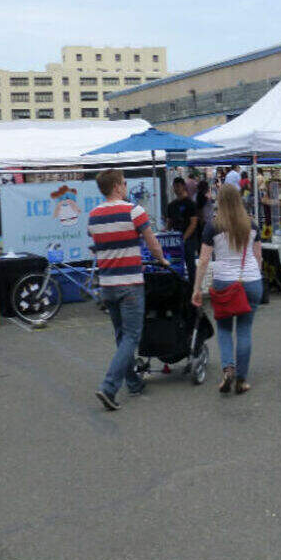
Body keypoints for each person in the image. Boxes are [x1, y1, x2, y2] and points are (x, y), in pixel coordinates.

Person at [88, 169, 170, 410]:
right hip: (130, 284)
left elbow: (95, 245)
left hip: (107, 284)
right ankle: (108, 387)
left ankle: (133, 382)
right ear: (116, 186)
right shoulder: (133, 211)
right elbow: (152, 243)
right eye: (124, 182)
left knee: (121, 336)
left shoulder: (93, 216)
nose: (126, 186)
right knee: (131, 336)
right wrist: (162, 260)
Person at [192, 184, 262, 394]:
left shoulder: (212, 226)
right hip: (250, 280)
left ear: (219, 202)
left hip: (224, 282)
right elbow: (258, 257)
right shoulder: (252, 225)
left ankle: (228, 369)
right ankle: (242, 379)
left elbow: (204, 261)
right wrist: (254, 277)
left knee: (224, 329)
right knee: (244, 329)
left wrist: (197, 288)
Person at [166, 177, 200, 287]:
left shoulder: (190, 204)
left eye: (178, 186)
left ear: (183, 186)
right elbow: (169, 223)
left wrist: (184, 238)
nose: (176, 189)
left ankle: (193, 288)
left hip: (189, 240)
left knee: (190, 266)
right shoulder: (171, 205)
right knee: (174, 265)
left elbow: (193, 223)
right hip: (175, 241)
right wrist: (165, 232)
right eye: (174, 187)